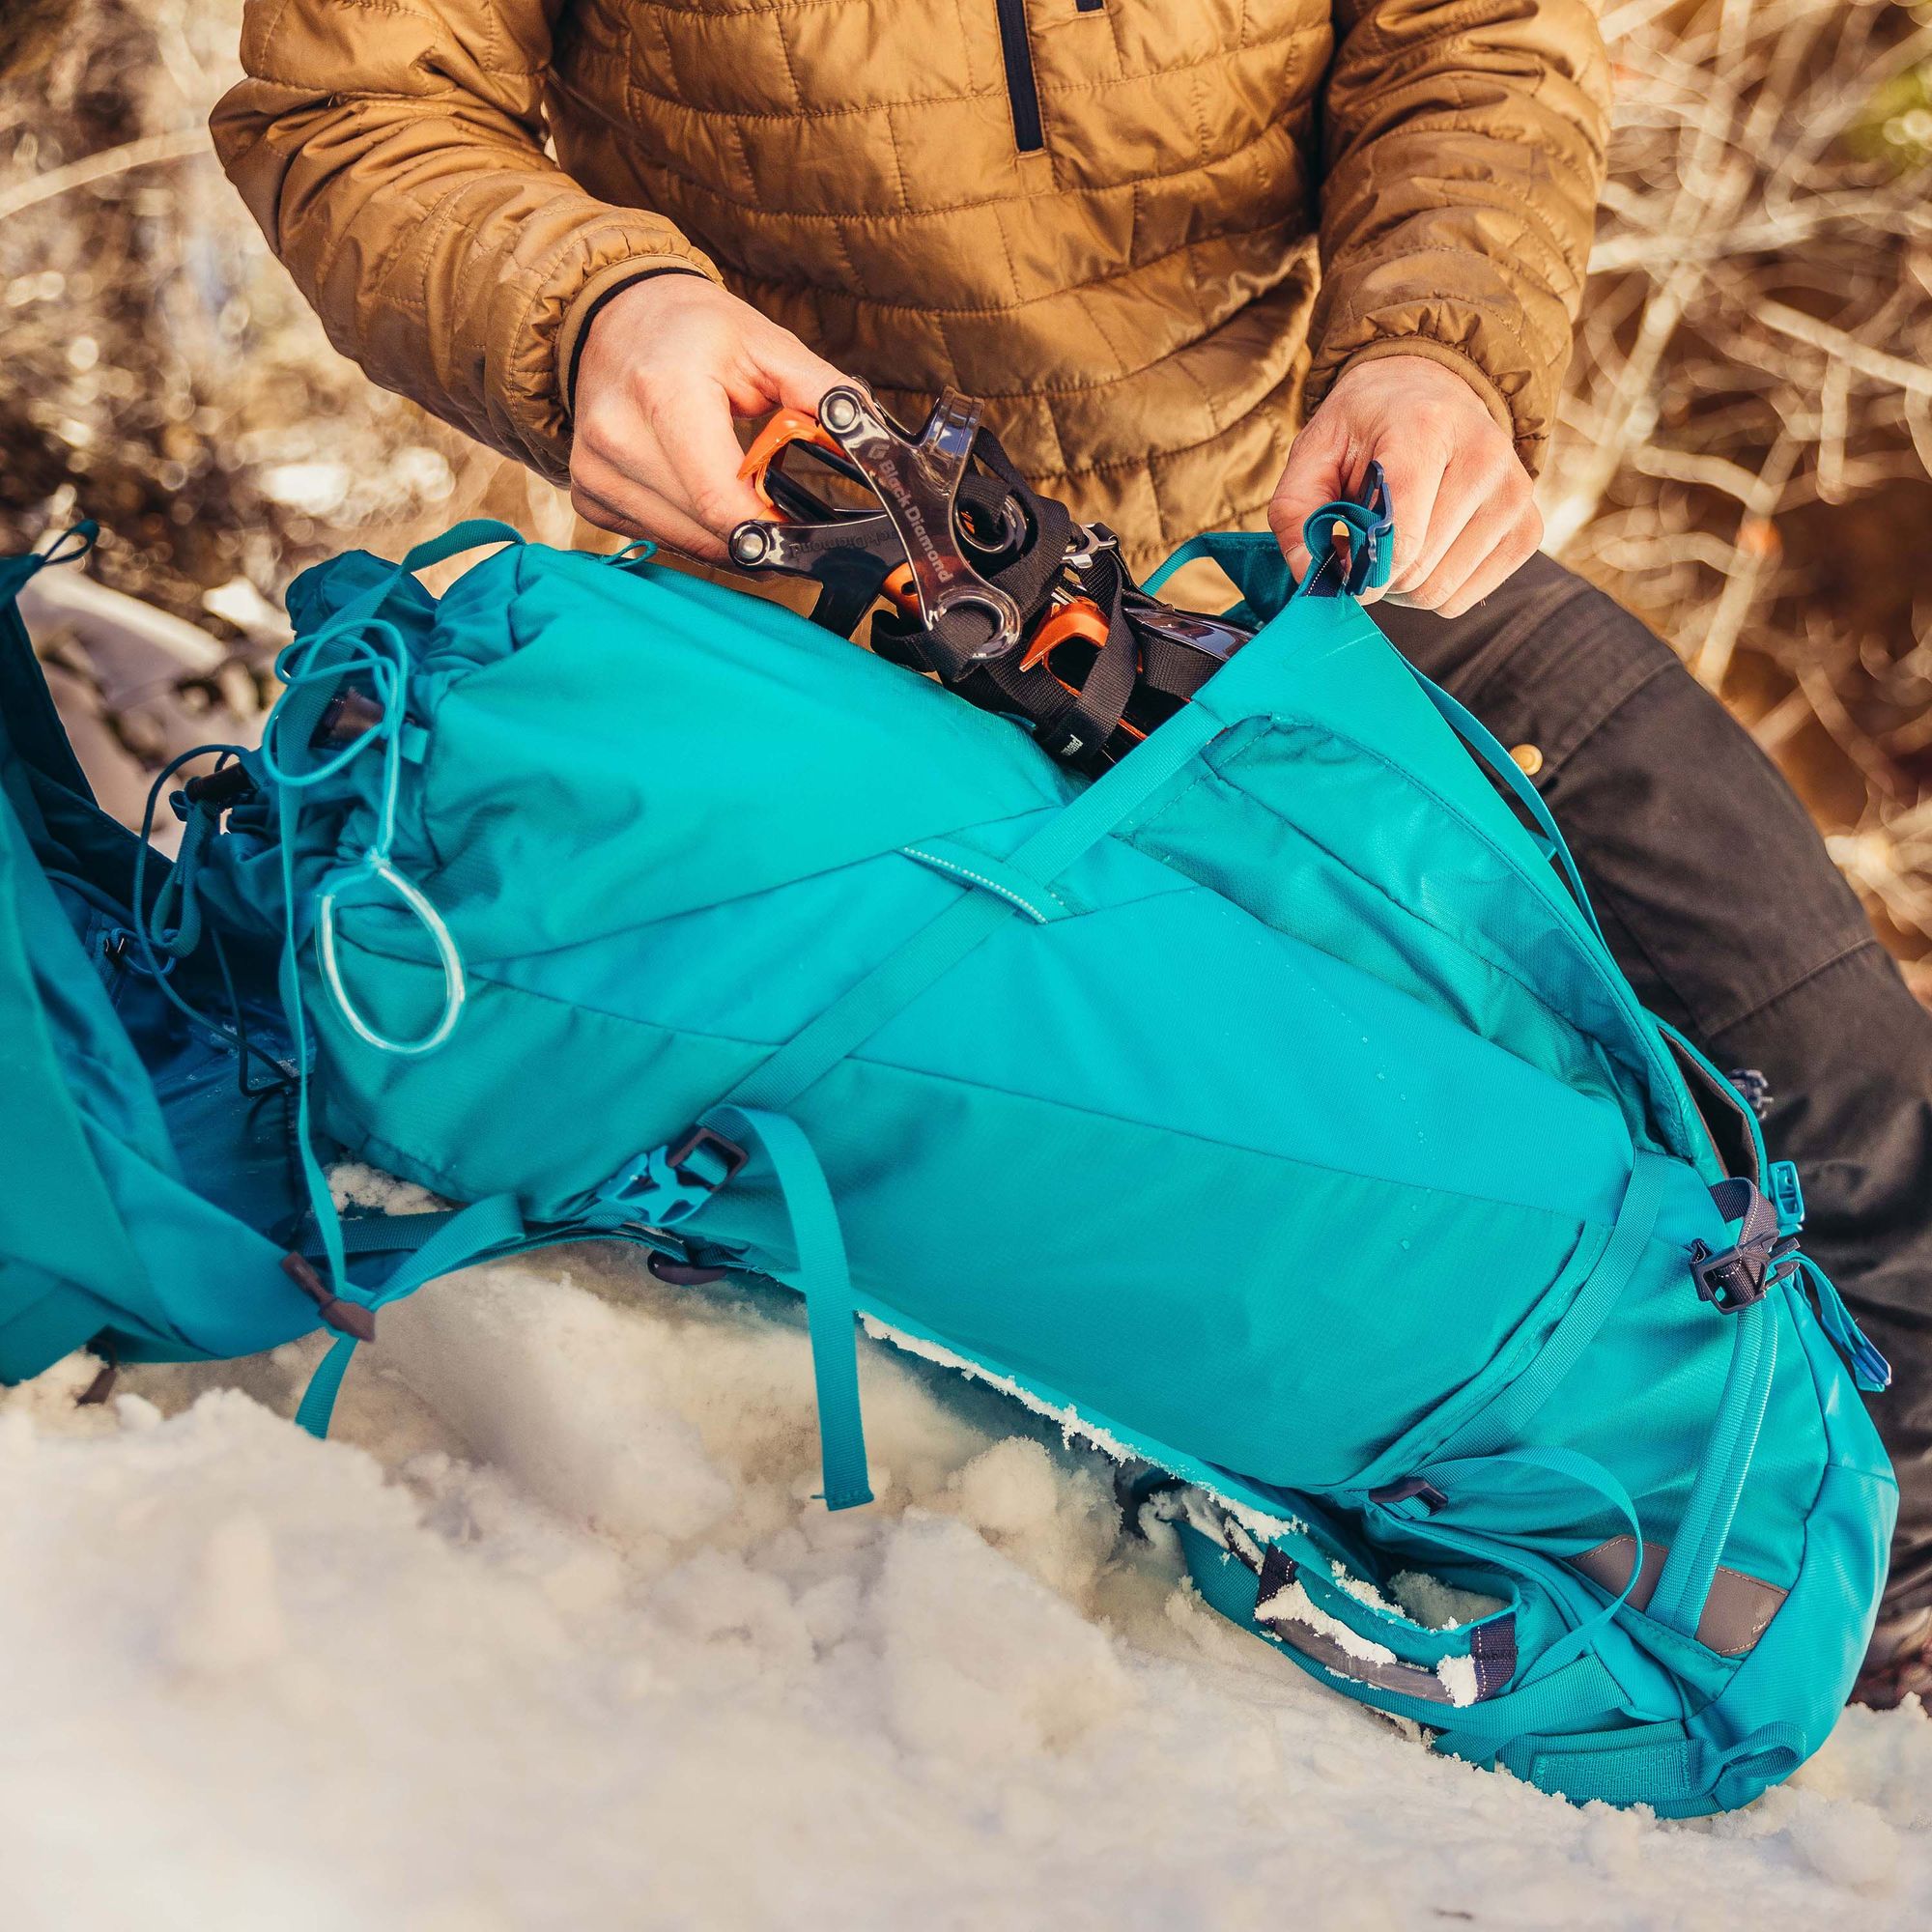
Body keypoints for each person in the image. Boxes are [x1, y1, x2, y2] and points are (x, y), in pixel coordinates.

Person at [211, 0, 1932, 1698]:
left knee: (1849, 1110)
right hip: (843, 656)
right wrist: (594, 307)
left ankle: (1888, 1666)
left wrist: (1435, 340)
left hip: (1314, 579)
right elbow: (351, 104)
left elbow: (1473, 33)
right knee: (1292, 1202)